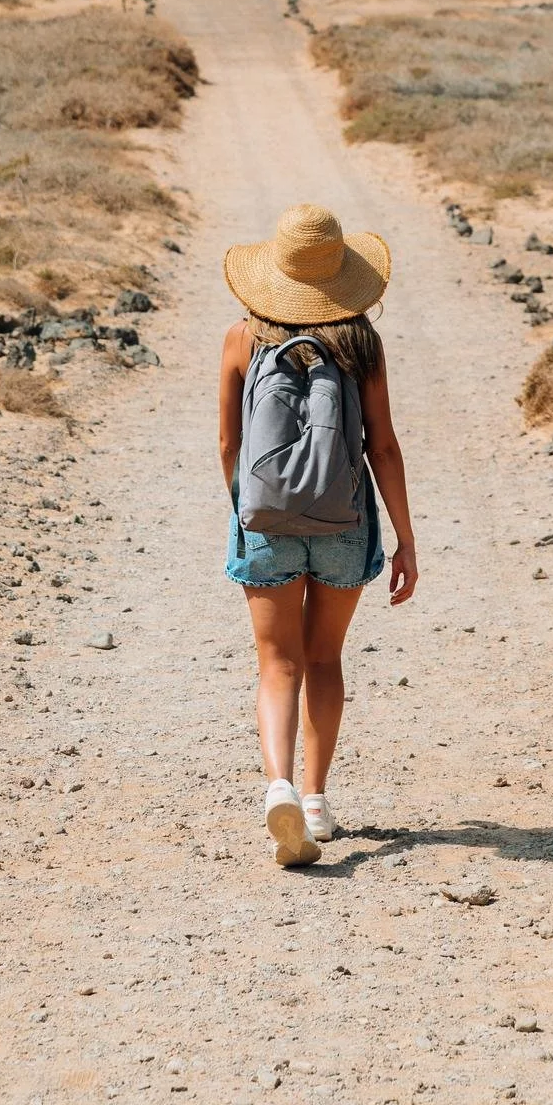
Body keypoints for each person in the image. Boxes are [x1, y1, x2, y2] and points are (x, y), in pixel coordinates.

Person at [219, 203, 418, 867]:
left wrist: (247, 511)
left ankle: (276, 783)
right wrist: (405, 540)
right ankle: (312, 801)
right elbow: (382, 447)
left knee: (277, 664)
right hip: (345, 519)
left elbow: (229, 444)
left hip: (265, 521)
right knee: (325, 659)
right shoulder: (360, 344)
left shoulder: (241, 339)